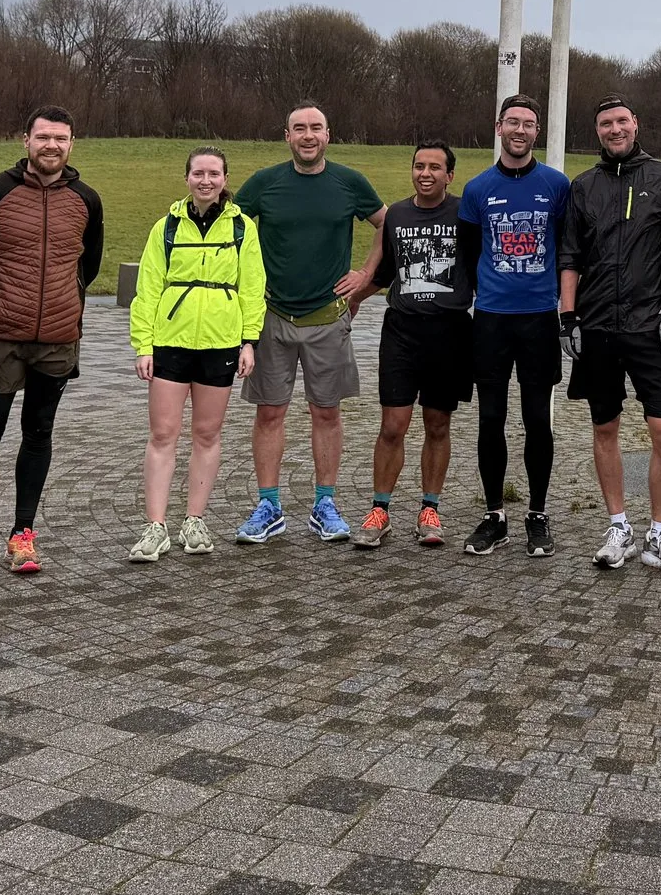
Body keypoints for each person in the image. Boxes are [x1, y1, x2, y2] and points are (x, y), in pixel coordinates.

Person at [0, 107, 104, 581]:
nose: (52, 146)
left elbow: (87, 266)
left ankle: (23, 533)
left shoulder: (87, 199)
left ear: (72, 143)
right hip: (1, 338)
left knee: (38, 433)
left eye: (61, 138)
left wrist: (62, 309)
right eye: (44, 137)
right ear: (25, 140)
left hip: (57, 340)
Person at [234, 104, 384, 544]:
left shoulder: (349, 182)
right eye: (299, 128)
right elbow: (230, 229)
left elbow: (385, 222)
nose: (308, 135)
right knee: (270, 412)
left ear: (328, 134)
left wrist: (365, 275)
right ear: (287, 136)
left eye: (315, 127)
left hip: (328, 319)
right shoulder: (265, 183)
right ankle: (268, 506)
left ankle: (325, 504)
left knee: (327, 411)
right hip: (272, 317)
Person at [561, 96, 661, 575]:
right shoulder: (584, 186)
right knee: (605, 427)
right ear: (597, 131)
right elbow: (570, 257)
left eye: (622, 121)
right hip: (597, 326)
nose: (615, 129)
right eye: (605, 123)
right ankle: (618, 526)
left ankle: (659, 533)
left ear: (635, 124)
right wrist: (568, 317)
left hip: (649, 325)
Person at [127, 147, 265, 558]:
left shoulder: (242, 229)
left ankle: (195, 520)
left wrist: (248, 340)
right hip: (170, 343)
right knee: (162, 434)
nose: (206, 180)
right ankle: (155, 527)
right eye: (198, 173)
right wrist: (143, 344)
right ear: (186, 177)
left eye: (214, 174)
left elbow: (253, 287)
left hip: (221, 343)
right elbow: (148, 289)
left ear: (225, 178)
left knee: (207, 434)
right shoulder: (165, 228)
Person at [349, 141, 479, 548]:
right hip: (402, 330)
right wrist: (352, 300)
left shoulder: (465, 215)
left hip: (449, 331)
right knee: (393, 425)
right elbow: (385, 271)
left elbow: (481, 269)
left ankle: (429, 509)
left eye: (435, 168)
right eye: (419, 166)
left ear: (449, 176)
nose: (426, 173)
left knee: (437, 424)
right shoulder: (397, 214)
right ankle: (380, 510)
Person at [457, 94, 571, 557]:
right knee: (491, 419)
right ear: (498, 126)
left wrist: (566, 311)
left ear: (536, 131)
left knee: (536, 420)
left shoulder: (557, 185)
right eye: (512, 122)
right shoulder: (477, 189)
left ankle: (538, 513)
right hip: (491, 320)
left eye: (528, 124)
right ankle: (493, 514)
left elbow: (567, 252)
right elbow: (468, 255)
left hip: (540, 319)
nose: (520, 131)